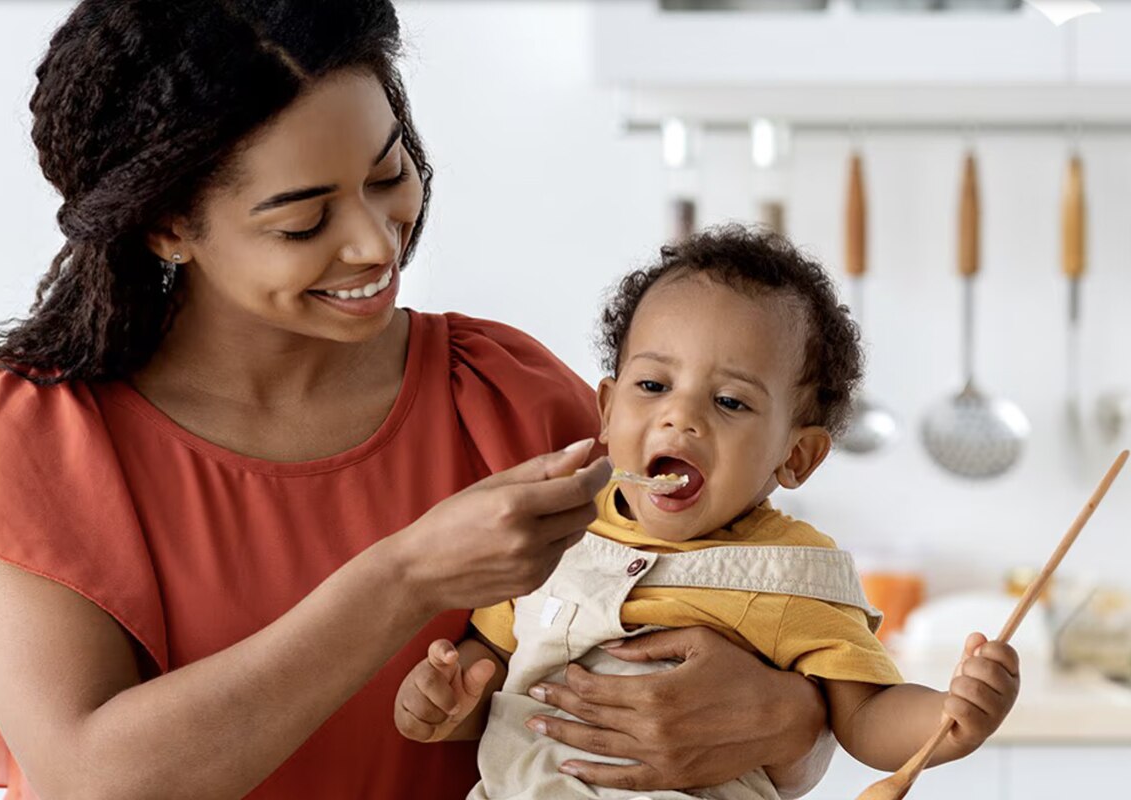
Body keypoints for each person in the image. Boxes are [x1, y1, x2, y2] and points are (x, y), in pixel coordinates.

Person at [0, 3, 836, 798]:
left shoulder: (503, 396)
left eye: (389, 176)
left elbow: (765, 649)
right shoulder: (44, 431)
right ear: (167, 224)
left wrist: (788, 715)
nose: (374, 244)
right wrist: (407, 578)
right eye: (305, 219)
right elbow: (87, 774)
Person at [394, 227, 1021, 800]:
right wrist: (443, 702)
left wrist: (953, 717)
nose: (681, 417)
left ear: (796, 455)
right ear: (607, 411)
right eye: (653, 386)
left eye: (729, 401)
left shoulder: (795, 574)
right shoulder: (552, 532)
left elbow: (864, 719)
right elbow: (488, 667)